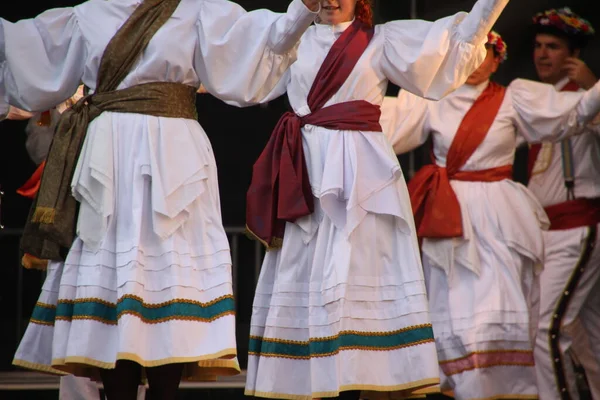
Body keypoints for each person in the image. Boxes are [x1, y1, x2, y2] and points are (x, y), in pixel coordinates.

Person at [0, 0, 320, 398]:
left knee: (170, 284)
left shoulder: (195, 9)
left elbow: (255, 42)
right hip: (111, 155)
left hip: (174, 155)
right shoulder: (90, 13)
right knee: (115, 282)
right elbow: (22, 50)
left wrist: (302, 11)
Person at [242, 0, 511, 399]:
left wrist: (490, 7)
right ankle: (308, 378)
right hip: (307, 169)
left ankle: (367, 376)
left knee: (360, 270)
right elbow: (247, 74)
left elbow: (453, 49)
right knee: (307, 270)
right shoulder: (291, 37)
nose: (331, 1)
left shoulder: (382, 40)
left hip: (361, 178)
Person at [378, 30, 600, 400]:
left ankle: (503, 390)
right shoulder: (433, 99)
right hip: (449, 219)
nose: (476, 62)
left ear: (497, 59)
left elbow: (573, 111)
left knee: (498, 309)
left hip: (498, 219)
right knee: (456, 310)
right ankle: (466, 389)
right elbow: (380, 122)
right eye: (470, 54)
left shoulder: (515, 98)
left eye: (485, 55)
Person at [525, 7, 600, 400]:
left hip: (577, 226)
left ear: (573, 55)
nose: (542, 54)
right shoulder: (537, 100)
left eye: (552, 47)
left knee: (545, 329)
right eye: (538, 46)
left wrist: (593, 86)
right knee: (587, 333)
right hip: (548, 232)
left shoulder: (584, 98)